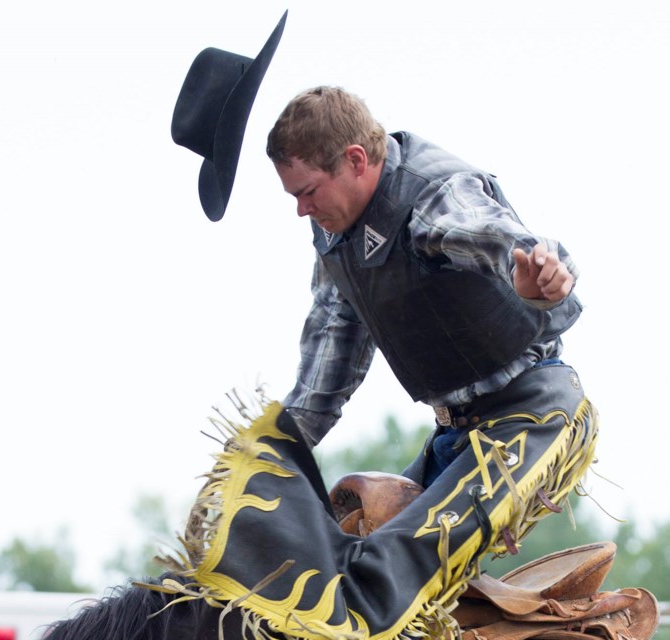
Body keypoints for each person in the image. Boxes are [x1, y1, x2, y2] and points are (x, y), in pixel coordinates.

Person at [154, 85, 601, 640]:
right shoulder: (335, 234)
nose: (301, 208)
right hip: (456, 437)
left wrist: (538, 276)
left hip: (531, 421)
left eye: (308, 191)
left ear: (356, 161)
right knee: (334, 562)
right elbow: (330, 361)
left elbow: (501, 239)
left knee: (376, 587)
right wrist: (270, 449)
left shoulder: (434, 194)